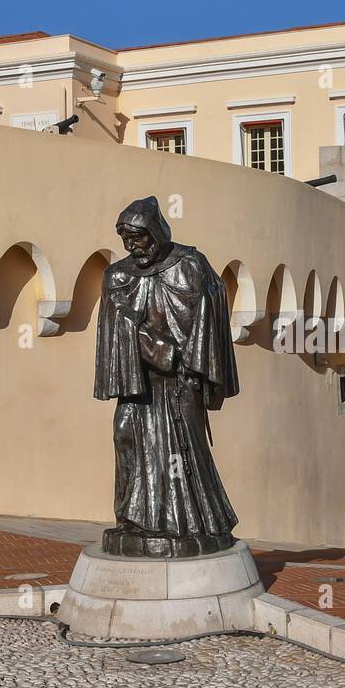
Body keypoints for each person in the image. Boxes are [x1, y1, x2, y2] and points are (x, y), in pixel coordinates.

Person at [94, 196, 241, 558]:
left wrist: (190, 365)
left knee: (179, 449)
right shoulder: (118, 276)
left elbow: (211, 311)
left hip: (179, 382)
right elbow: (114, 329)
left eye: (138, 238)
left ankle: (189, 524)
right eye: (126, 239)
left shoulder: (190, 265)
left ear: (156, 233)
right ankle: (133, 518)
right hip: (136, 383)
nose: (132, 247)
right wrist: (149, 344)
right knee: (125, 434)